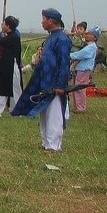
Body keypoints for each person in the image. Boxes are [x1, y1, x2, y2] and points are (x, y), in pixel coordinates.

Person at [12, 9, 72, 152]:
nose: (42, 21)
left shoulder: (62, 39)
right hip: (43, 82)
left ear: (50, 21)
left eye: (43, 18)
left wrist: (60, 84)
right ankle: (46, 142)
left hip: (55, 84)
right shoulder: (50, 38)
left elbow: (64, 63)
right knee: (44, 113)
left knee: (54, 114)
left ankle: (54, 145)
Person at [0, 16, 23, 117]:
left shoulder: (14, 37)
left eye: (3, 23)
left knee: (15, 88)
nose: (2, 25)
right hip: (3, 65)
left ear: (8, 26)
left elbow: (0, 41)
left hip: (12, 66)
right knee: (0, 86)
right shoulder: (8, 36)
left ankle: (16, 109)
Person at [69, 26, 99, 113]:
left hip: (83, 69)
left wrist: (69, 56)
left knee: (79, 88)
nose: (87, 35)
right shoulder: (87, 45)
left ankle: (81, 107)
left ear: (95, 37)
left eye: (90, 34)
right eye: (87, 33)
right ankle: (76, 106)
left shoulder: (91, 47)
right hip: (79, 69)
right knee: (75, 87)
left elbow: (79, 55)